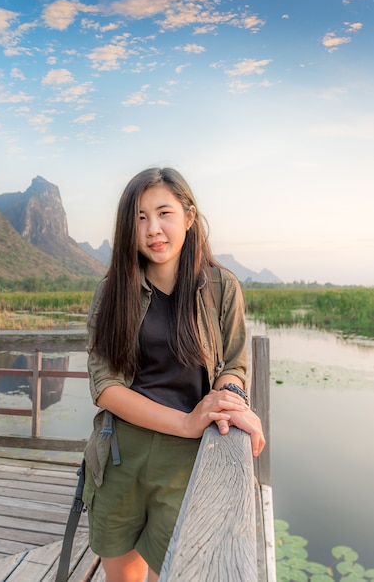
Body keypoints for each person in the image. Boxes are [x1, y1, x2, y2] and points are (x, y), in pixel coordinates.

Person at [83, 167, 266, 582]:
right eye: (140, 217)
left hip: (185, 466)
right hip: (119, 457)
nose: (153, 229)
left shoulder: (221, 287)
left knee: (179, 572)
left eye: (164, 213)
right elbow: (106, 388)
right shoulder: (112, 291)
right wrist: (187, 421)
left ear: (188, 215)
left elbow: (233, 366)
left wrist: (232, 402)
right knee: (123, 578)